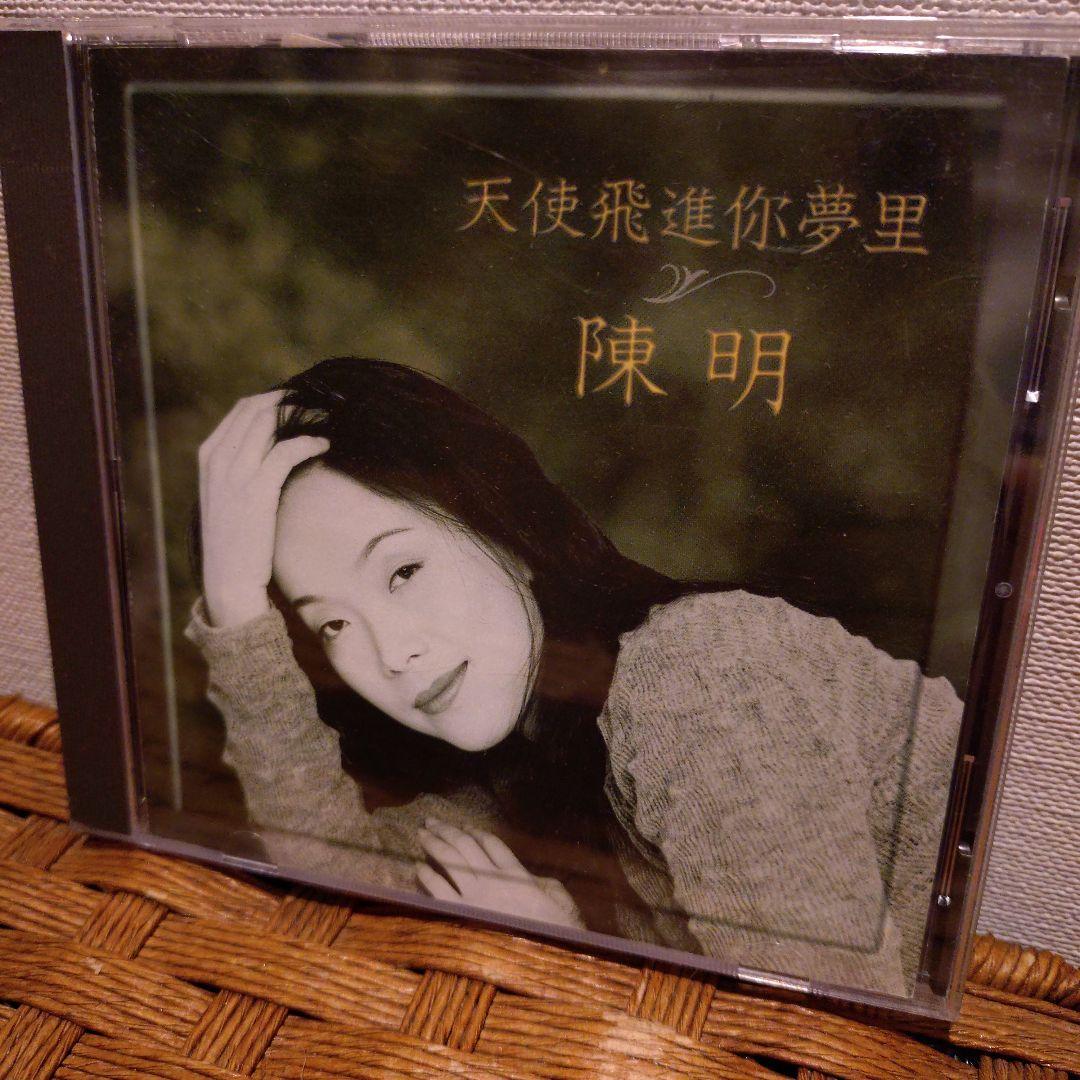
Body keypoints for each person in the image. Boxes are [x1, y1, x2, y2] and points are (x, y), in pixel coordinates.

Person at [186, 356, 962, 997]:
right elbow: (343, 888)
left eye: (403, 572)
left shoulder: (700, 677)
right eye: (332, 625)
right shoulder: (529, 760)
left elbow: (829, 1045)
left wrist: (565, 965)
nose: (389, 654)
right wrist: (234, 608)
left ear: (505, 530)